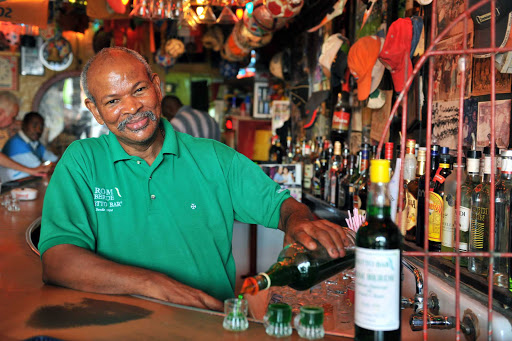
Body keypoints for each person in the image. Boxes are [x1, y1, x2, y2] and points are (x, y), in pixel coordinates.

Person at [38, 47, 350, 312]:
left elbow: (283, 206)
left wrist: (297, 221)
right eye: (112, 101)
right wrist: (156, 285)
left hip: (207, 324)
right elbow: (57, 261)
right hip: (118, 324)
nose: (132, 108)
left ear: (157, 87)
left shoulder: (213, 157)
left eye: (139, 90)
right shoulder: (82, 160)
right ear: (94, 110)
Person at [1, 112, 58, 182]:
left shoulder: (35, 143)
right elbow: (42, 169)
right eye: (34, 125)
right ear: (24, 125)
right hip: (11, 187)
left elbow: (56, 160)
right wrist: (50, 166)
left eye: (41, 127)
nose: (38, 130)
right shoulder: (16, 144)